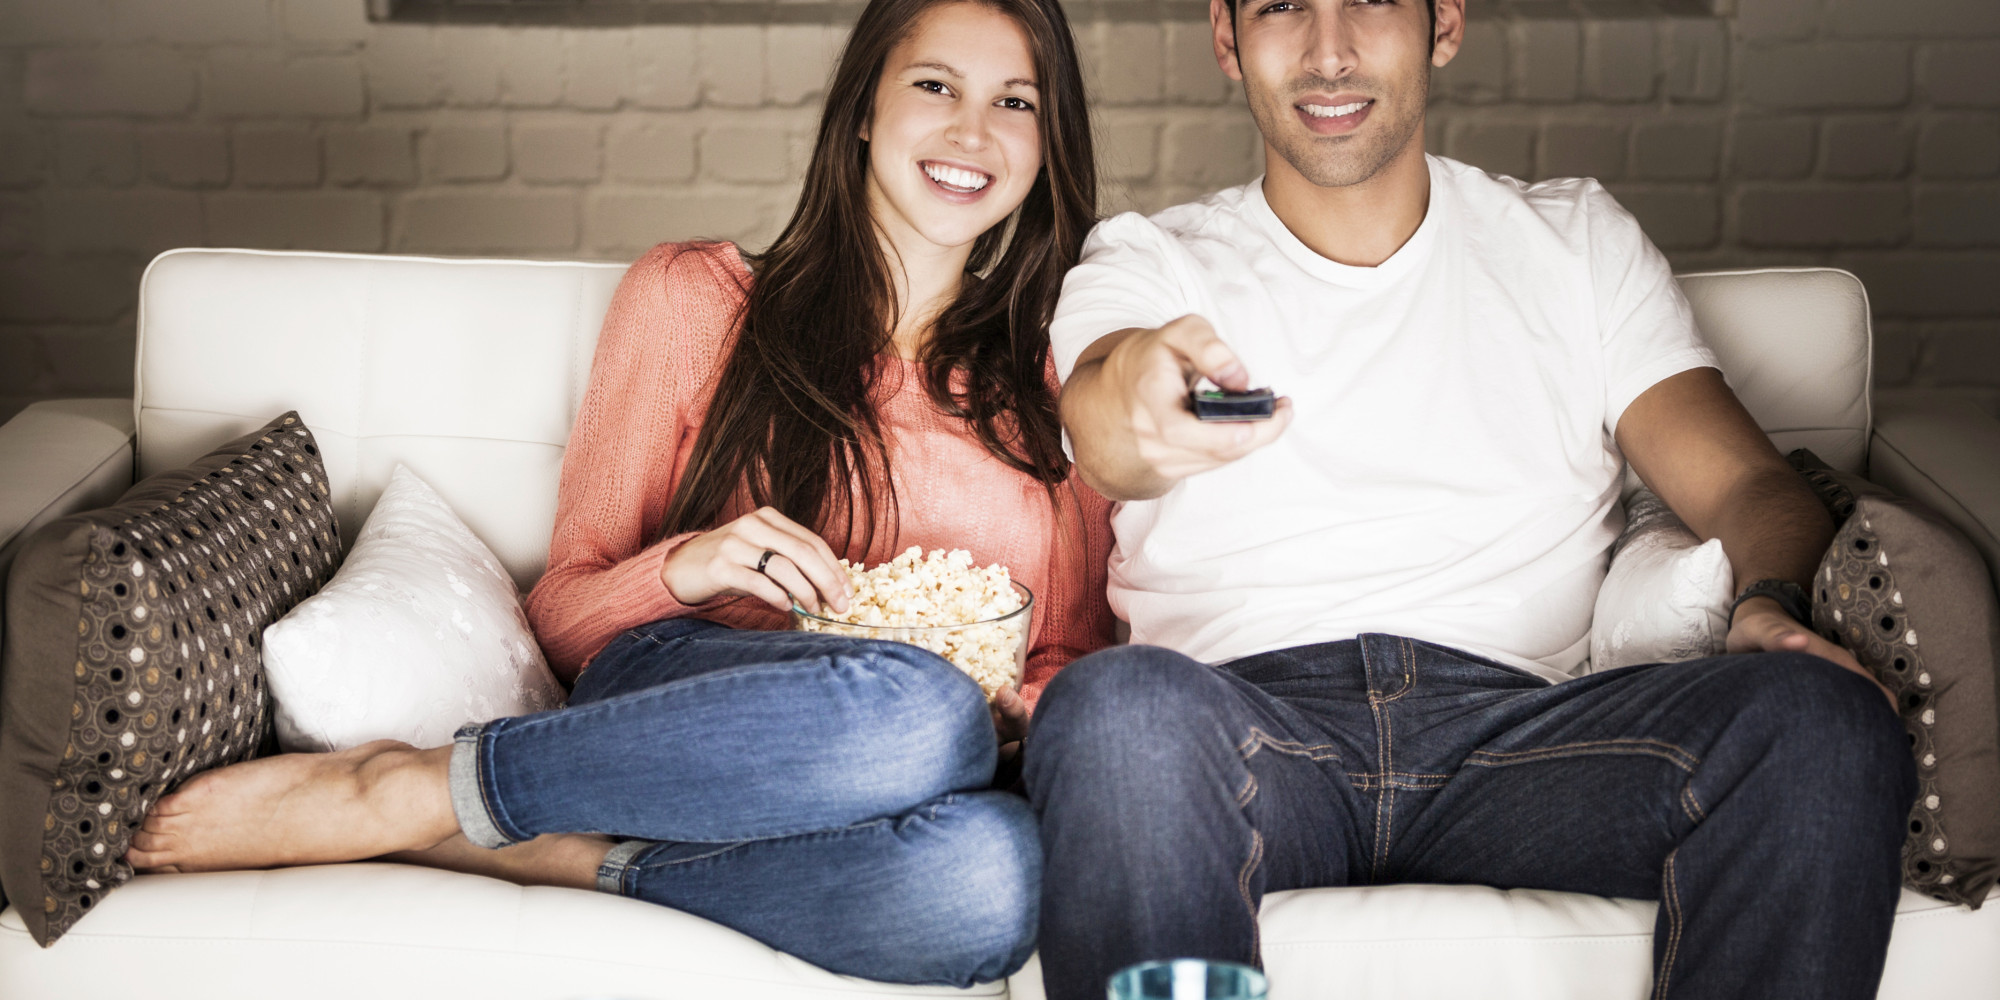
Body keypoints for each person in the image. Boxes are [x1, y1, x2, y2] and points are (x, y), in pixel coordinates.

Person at [123, 0, 1114, 985]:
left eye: (1014, 102)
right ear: (861, 108)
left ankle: (570, 857)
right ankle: (415, 785)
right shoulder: (699, 303)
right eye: (933, 85)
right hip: (684, 697)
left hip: (905, 768)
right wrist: (690, 565)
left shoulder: (1065, 383)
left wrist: (1017, 705)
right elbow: (562, 620)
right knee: (918, 712)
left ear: (1044, 142)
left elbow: (1067, 656)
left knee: (992, 879)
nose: (969, 132)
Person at [1025, 1, 1914, 998]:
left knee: (1822, 720)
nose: (1327, 52)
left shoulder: (1572, 239)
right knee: (1111, 709)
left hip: (1530, 744)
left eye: (1368, 1)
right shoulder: (1148, 258)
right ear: (1225, 39)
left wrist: (1767, 605)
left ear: (1442, 23)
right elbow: (1103, 419)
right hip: (1242, 731)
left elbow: (1748, 483)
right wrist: (1137, 400)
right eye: (1280, 6)